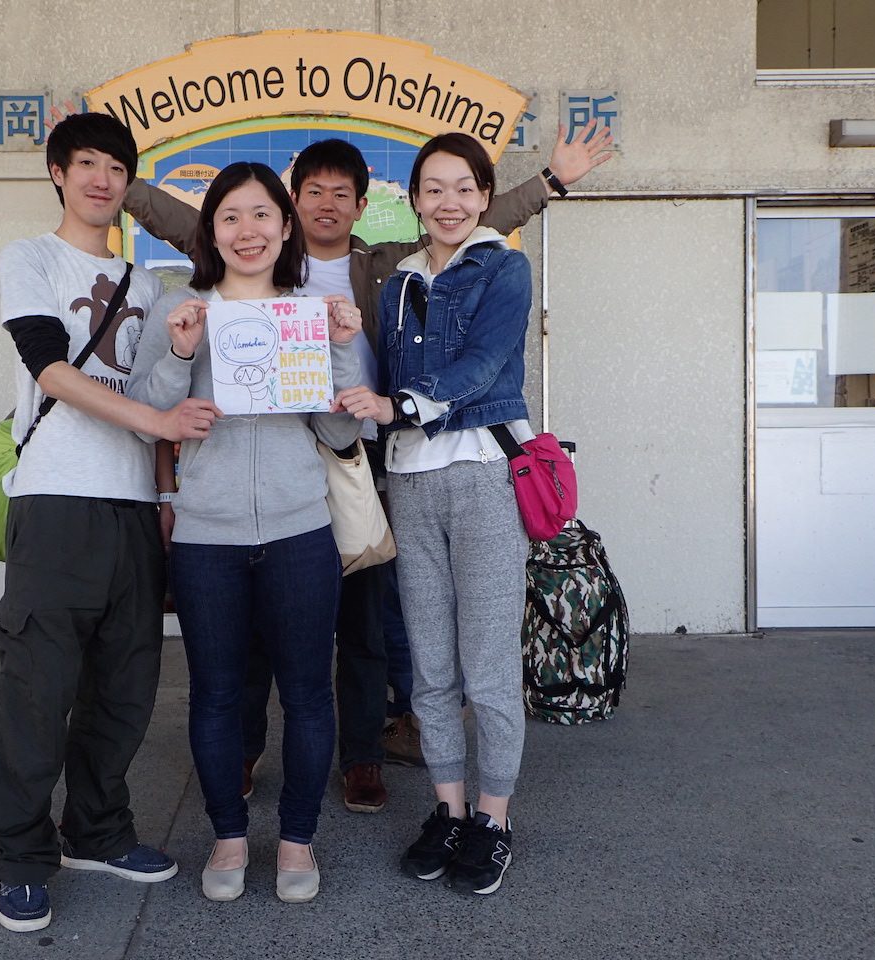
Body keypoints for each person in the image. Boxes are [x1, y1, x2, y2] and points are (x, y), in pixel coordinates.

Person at [123, 122, 611, 813]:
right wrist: (123, 184)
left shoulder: (389, 266)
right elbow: (193, 222)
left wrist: (549, 184)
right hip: (284, 465)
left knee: (367, 619)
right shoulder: (242, 269)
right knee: (260, 624)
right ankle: (248, 750)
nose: (327, 204)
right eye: (313, 192)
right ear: (291, 207)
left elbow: (467, 223)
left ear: (363, 206)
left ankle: (364, 756)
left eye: (342, 193)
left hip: (369, 452)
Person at [0, 112, 222, 934]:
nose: (101, 179)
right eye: (86, 163)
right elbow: (48, 362)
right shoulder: (30, 259)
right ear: (58, 171)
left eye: (116, 168)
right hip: (53, 499)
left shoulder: (147, 285)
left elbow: (151, 395)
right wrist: (158, 424)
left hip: (130, 507)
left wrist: (183, 353)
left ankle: (97, 831)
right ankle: (21, 855)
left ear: (129, 183)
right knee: (39, 689)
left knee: (125, 686)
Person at [127, 161, 362, 904]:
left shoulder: (307, 311)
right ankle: (228, 836)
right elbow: (145, 409)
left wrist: (344, 347)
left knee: (306, 694)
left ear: (285, 226)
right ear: (211, 230)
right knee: (217, 695)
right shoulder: (182, 306)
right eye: (231, 216)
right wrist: (183, 354)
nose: (248, 230)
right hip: (207, 536)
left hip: (299, 529)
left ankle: (296, 842)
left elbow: (338, 426)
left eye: (262, 215)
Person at [333, 131, 534, 897]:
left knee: (486, 667)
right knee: (430, 667)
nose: (449, 202)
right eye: (434, 189)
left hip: (481, 473)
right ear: (413, 201)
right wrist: (356, 348)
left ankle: (493, 818)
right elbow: (380, 383)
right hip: (410, 482)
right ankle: (447, 809)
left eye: (464, 187)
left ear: (484, 196)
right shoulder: (398, 283)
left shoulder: (505, 266)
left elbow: (484, 363)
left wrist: (400, 403)